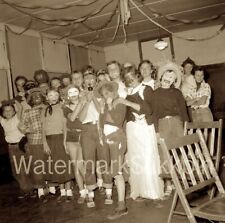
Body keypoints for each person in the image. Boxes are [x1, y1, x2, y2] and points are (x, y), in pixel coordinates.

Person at [115, 66, 164, 200]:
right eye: (127, 78)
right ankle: (139, 190)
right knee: (136, 159)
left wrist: (126, 101)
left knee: (148, 158)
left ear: (138, 75)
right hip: (132, 128)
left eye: (132, 77)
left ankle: (152, 191)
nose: (130, 80)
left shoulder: (146, 89)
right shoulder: (127, 92)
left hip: (145, 128)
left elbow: (147, 110)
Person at [154, 62, 189, 196]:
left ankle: (179, 182)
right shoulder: (155, 93)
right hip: (163, 124)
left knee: (180, 153)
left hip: (177, 123)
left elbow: (184, 111)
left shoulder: (177, 92)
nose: (169, 78)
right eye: (167, 75)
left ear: (175, 80)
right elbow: (154, 114)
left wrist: (186, 128)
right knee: (164, 155)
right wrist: (156, 132)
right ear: (162, 76)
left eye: (172, 77)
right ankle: (168, 184)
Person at [95, 81, 128, 219]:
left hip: (117, 140)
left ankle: (122, 206)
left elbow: (117, 121)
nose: (105, 96)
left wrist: (108, 105)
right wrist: (103, 110)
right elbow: (102, 124)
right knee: (113, 172)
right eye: (103, 94)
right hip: (108, 140)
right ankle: (121, 204)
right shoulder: (105, 105)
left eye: (107, 93)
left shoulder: (120, 103)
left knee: (117, 172)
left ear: (113, 92)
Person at [79, 66, 107, 208]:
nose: (89, 82)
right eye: (86, 80)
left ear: (96, 82)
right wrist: (86, 101)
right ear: (83, 83)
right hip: (87, 130)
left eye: (92, 80)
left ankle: (107, 190)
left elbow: (101, 111)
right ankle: (90, 194)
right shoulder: (80, 96)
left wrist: (93, 99)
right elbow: (81, 117)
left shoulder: (101, 94)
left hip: (100, 128)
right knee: (88, 162)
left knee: (104, 160)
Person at [42, 89, 73, 202]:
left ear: (59, 96)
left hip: (60, 138)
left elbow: (65, 126)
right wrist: (45, 143)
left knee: (64, 165)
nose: (53, 96)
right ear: (47, 98)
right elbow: (43, 128)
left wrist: (64, 142)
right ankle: (62, 192)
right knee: (56, 166)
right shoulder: (44, 110)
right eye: (50, 94)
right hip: (49, 140)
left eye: (56, 94)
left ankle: (69, 191)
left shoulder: (62, 107)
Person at [18, 88, 47, 201]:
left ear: (43, 98)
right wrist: (28, 130)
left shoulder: (47, 109)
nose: (36, 98)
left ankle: (52, 188)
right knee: (38, 166)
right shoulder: (28, 112)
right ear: (31, 100)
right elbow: (21, 126)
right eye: (34, 97)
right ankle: (40, 191)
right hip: (35, 141)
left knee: (50, 164)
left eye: (39, 96)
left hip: (48, 140)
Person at [0, 100, 32, 198]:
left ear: (14, 111)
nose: (8, 112)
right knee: (16, 170)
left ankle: (30, 189)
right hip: (11, 147)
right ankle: (26, 189)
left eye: (10, 110)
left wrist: (14, 100)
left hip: (22, 145)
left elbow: (21, 108)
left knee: (26, 167)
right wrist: (2, 103)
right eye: (5, 111)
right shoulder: (3, 121)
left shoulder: (17, 118)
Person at [63, 86, 87, 204]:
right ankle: (82, 192)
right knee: (75, 166)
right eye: (70, 92)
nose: (73, 94)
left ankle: (89, 188)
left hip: (83, 136)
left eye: (75, 91)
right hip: (71, 138)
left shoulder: (86, 102)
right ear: (67, 95)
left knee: (81, 165)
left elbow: (83, 120)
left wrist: (83, 102)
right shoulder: (65, 107)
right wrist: (64, 142)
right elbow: (71, 119)